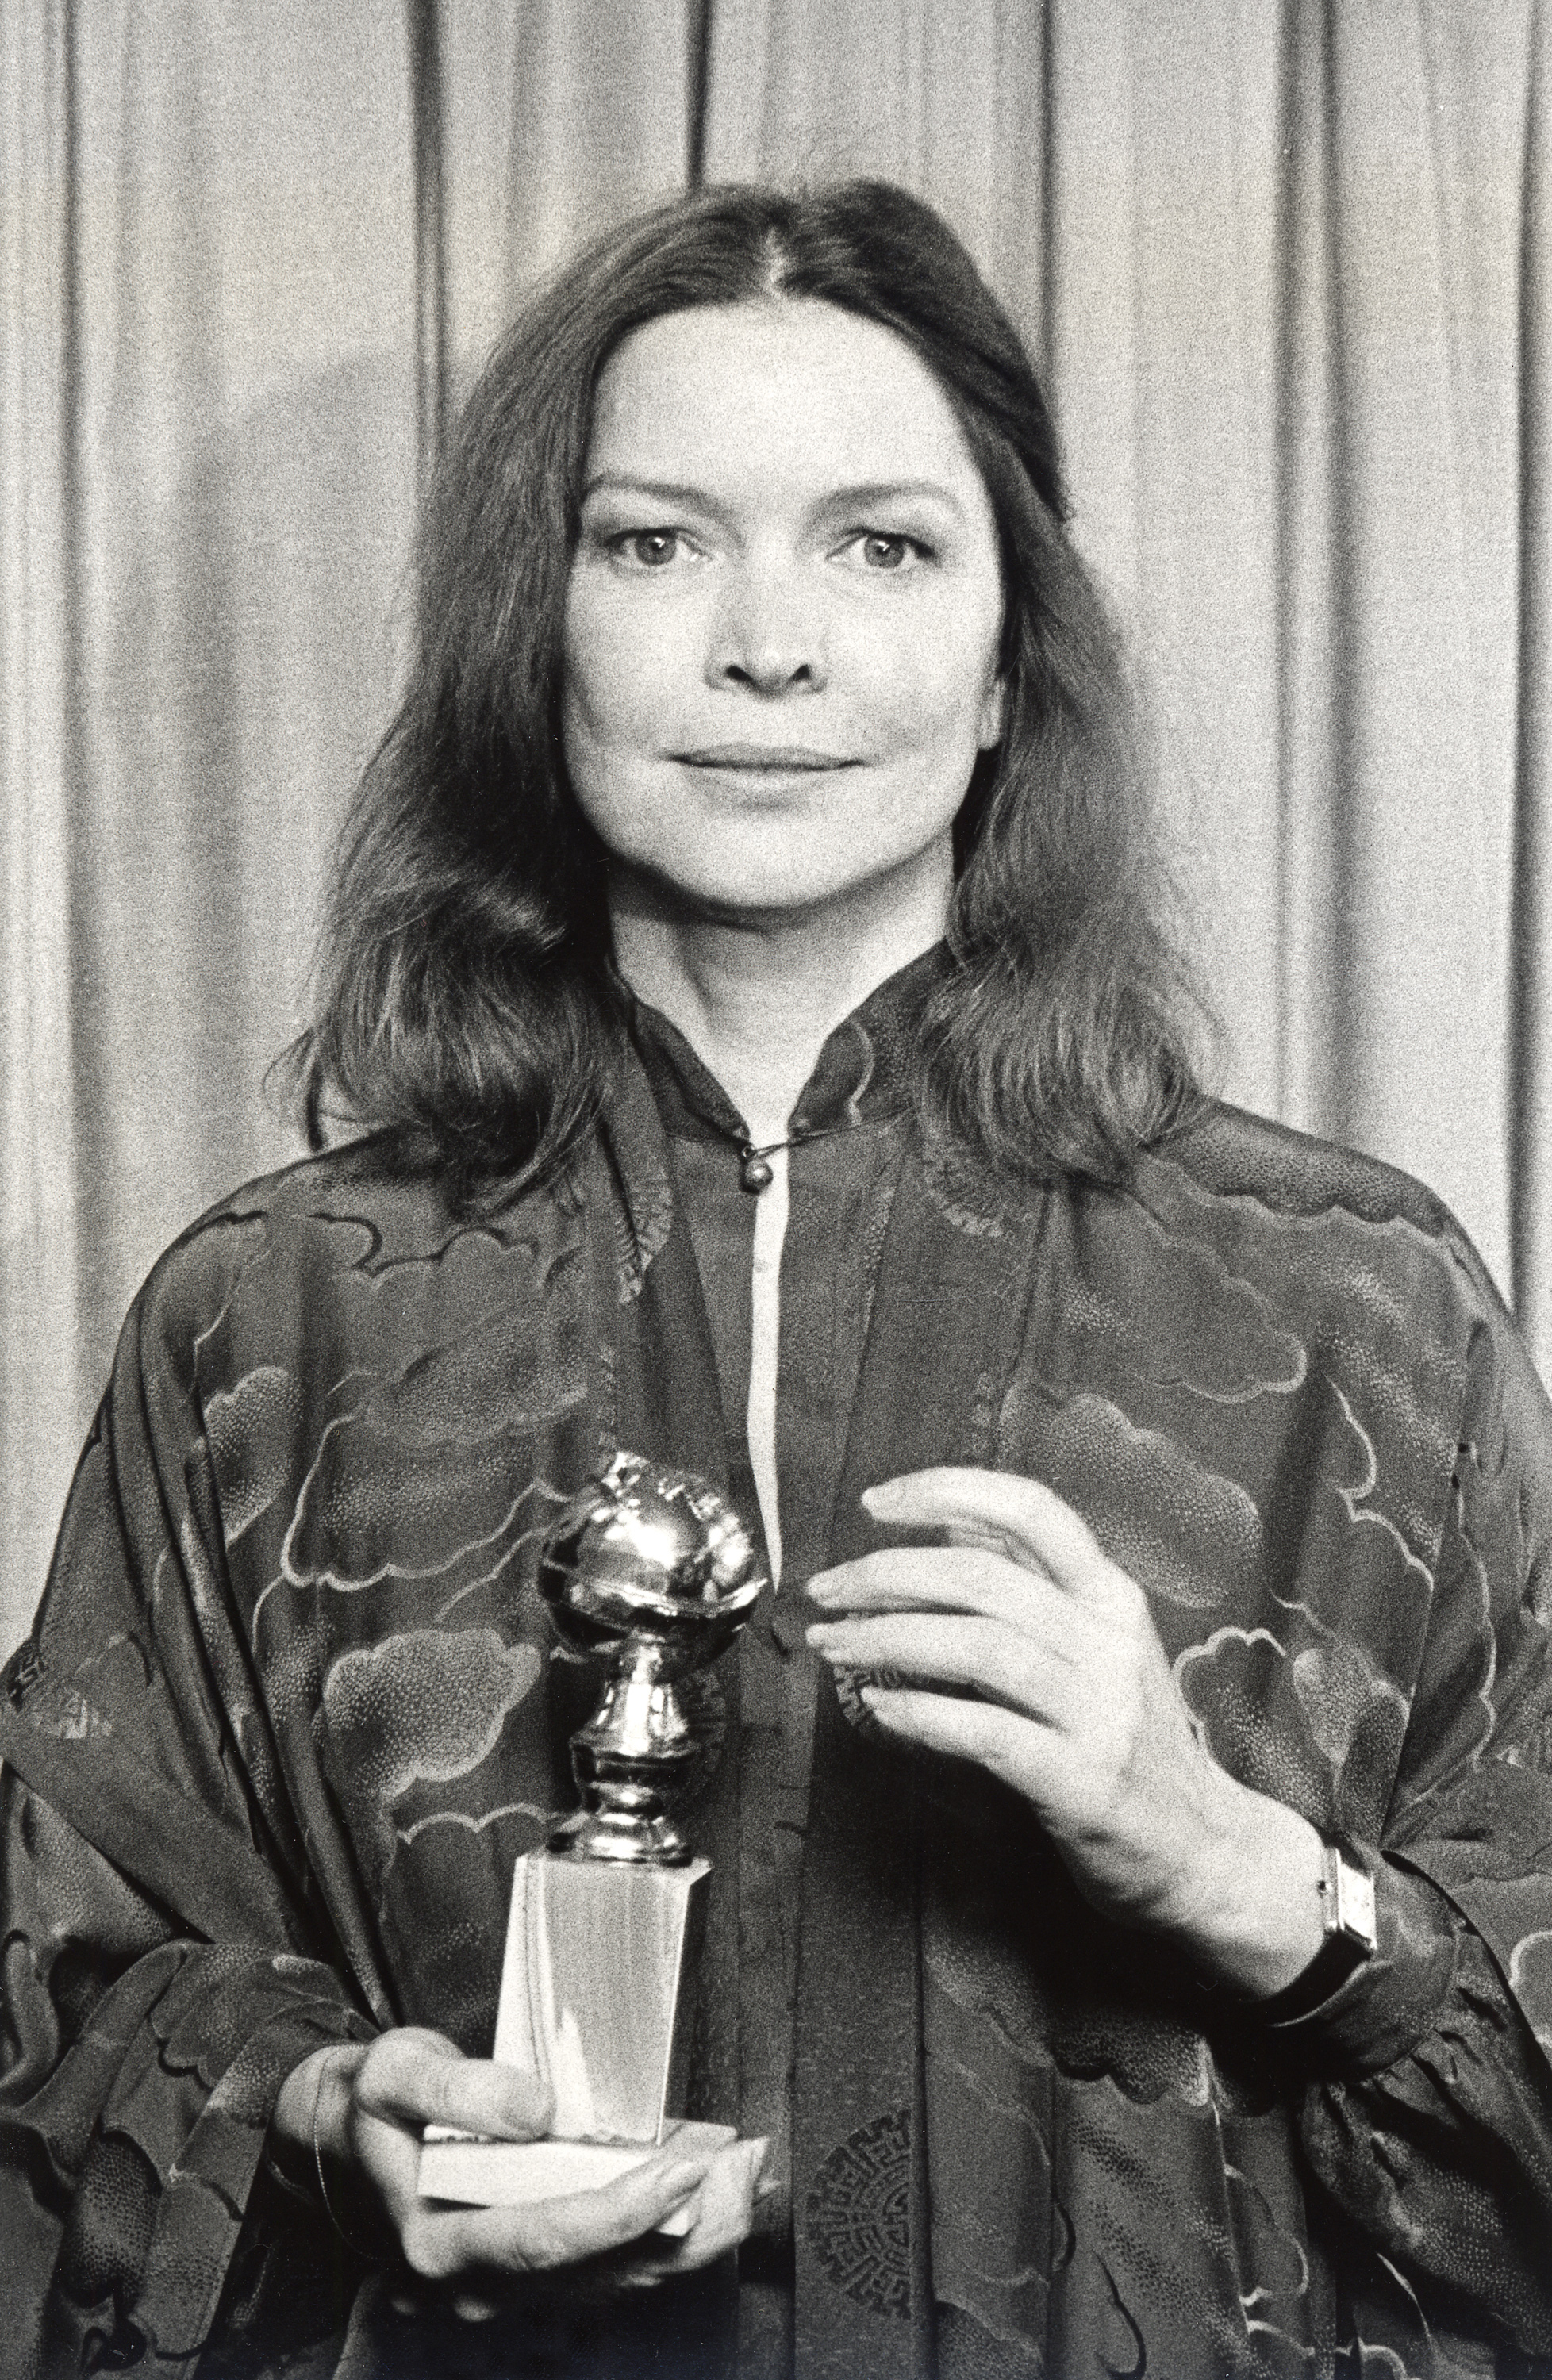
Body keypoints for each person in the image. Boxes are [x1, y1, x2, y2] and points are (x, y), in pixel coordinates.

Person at [2, 177, 1550, 2380]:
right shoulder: (273, 1317)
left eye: (881, 543)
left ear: (1014, 655)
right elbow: (74, 2014)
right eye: (654, 542)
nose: (766, 643)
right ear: (535, 636)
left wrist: (1238, 1873)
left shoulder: (1350, 1305)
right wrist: (335, 2112)